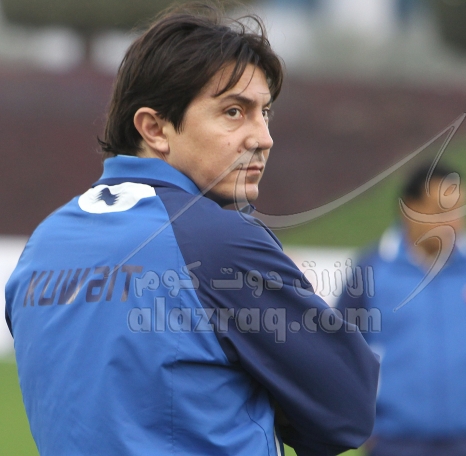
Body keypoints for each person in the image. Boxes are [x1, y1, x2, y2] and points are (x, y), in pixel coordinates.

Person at [4, 4, 379, 455]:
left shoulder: (43, 244)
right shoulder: (218, 240)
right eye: (234, 111)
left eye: (265, 113)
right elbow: (348, 411)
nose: (263, 137)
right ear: (154, 129)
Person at [337, 164, 466, 456]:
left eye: (460, 210)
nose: (454, 222)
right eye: (442, 211)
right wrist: (368, 427)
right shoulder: (371, 269)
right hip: (395, 443)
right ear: (410, 209)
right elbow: (340, 353)